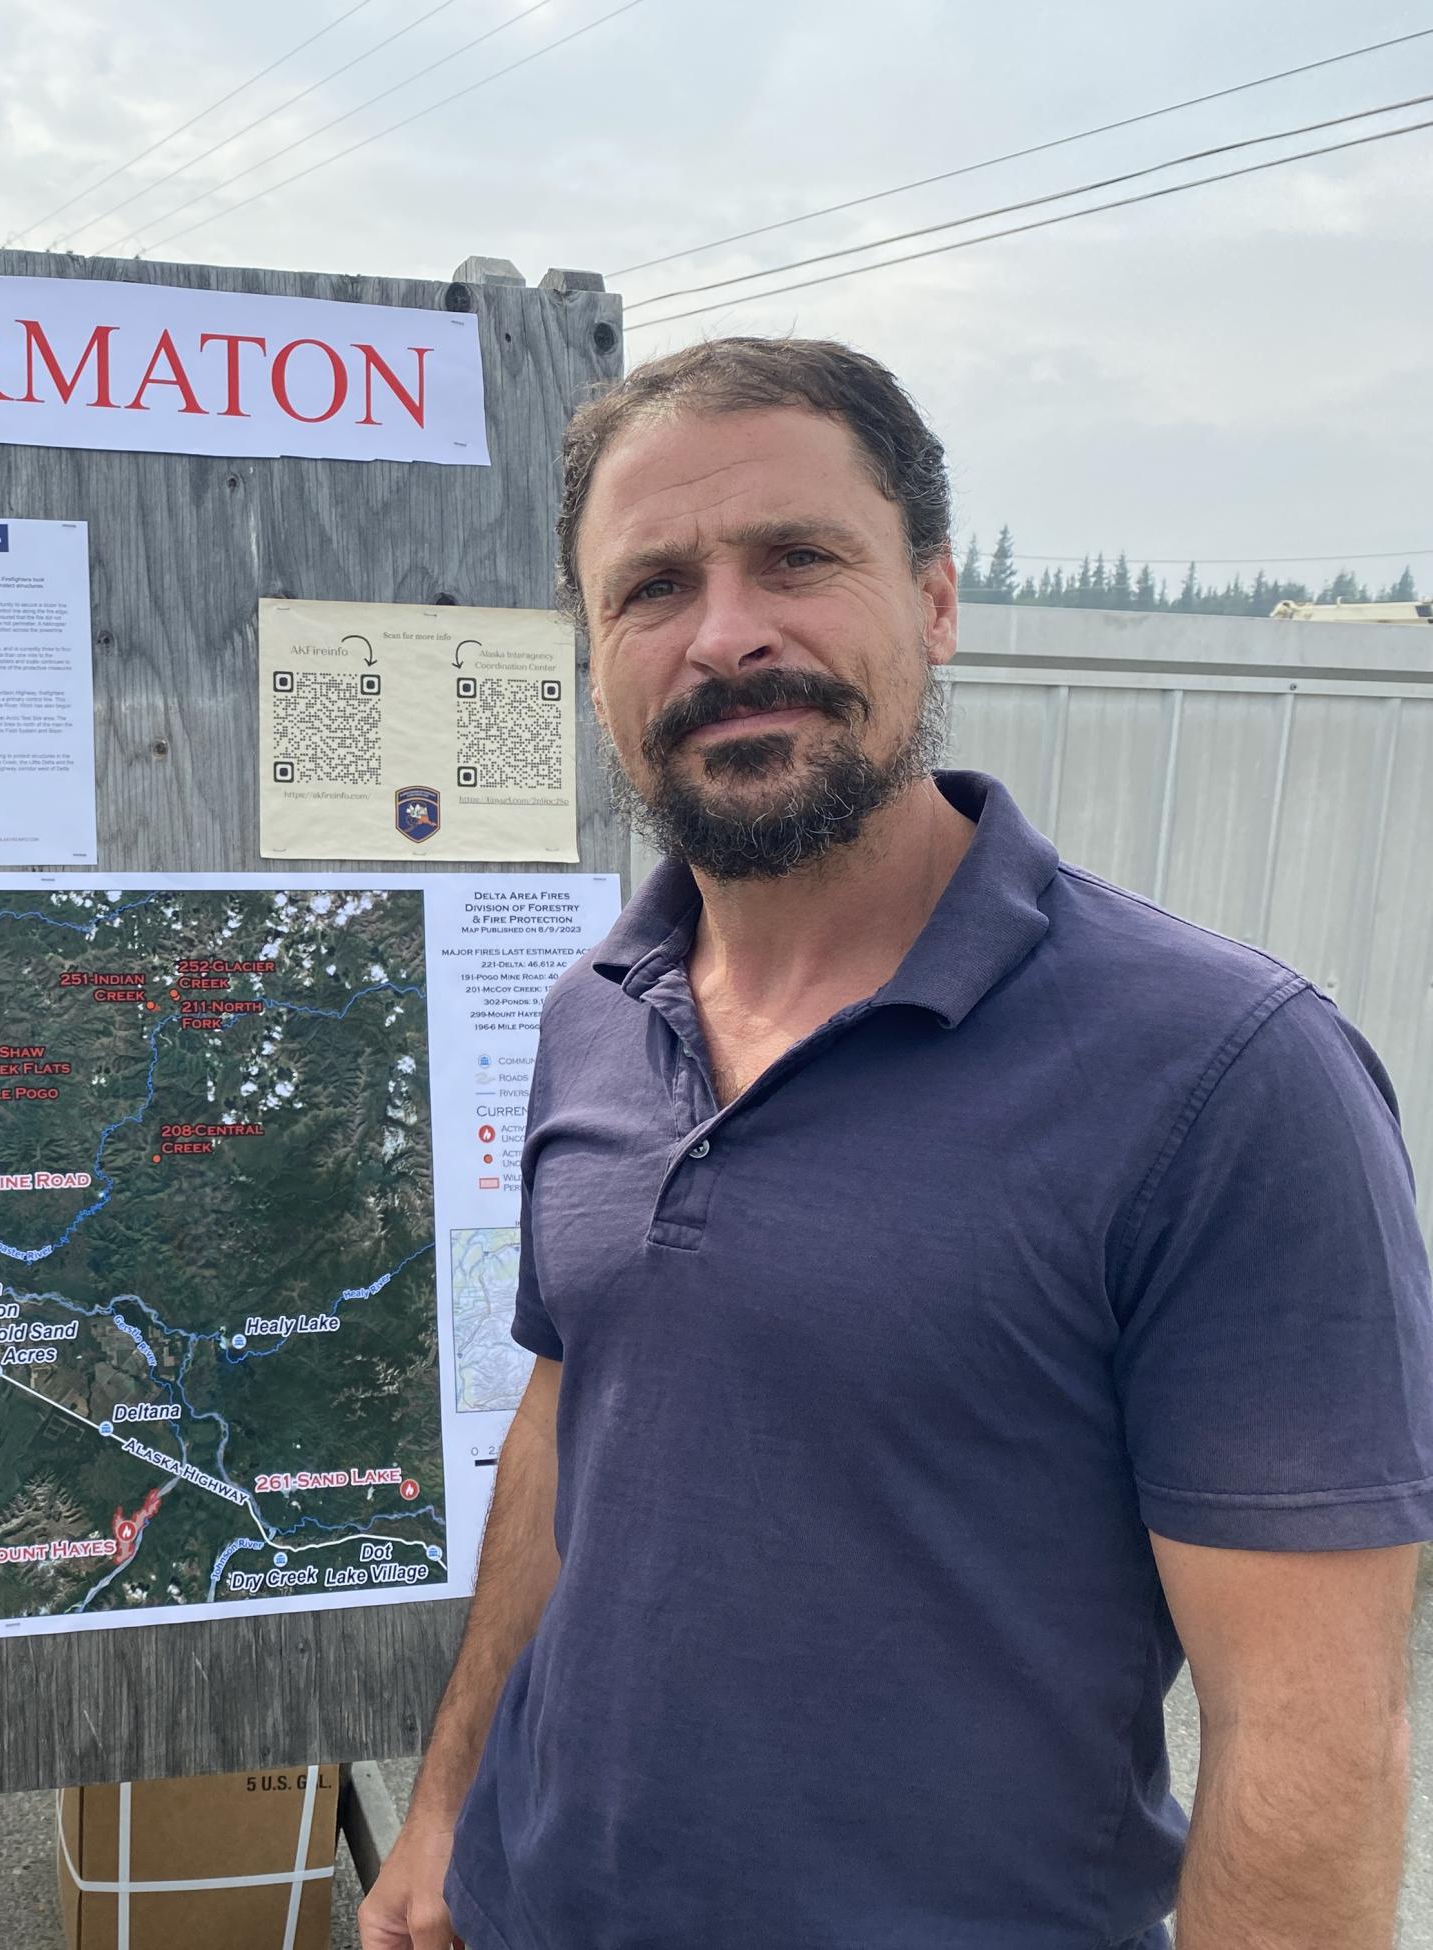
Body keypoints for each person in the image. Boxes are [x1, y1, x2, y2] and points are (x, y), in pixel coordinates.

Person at [360, 337, 1433, 1949]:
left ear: (933, 599)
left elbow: (1312, 1750)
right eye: (651, 588)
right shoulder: (598, 1008)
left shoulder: (1225, 1080)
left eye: (796, 557)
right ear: (593, 662)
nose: (727, 633)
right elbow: (571, 1410)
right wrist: (444, 1810)